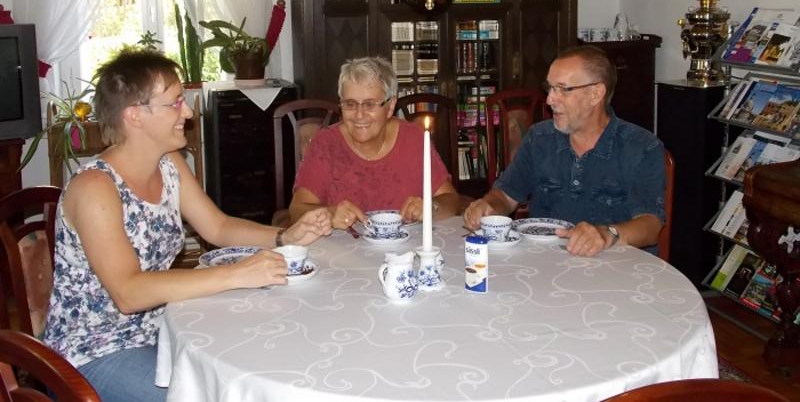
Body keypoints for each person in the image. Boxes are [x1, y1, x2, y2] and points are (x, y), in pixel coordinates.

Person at [43, 49, 332, 402]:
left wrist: (283, 236)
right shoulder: (95, 188)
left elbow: (218, 227)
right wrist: (236, 274)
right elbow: (128, 293)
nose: (188, 112)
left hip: (160, 327)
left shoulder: (168, 163)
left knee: (263, 351)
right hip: (93, 353)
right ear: (135, 116)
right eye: (175, 103)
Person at [464, 45, 665, 257]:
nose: (550, 99)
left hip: (615, 271)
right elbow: (505, 196)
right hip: (548, 265)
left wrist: (608, 234)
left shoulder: (641, 147)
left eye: (563, 89)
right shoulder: (540, 139)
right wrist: (488, 207)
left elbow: (650, 225)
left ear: (596, 94)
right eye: (550, 88)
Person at [288, 56, 462, 229]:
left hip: (406, 252)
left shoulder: (413, 138)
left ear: (391, 106)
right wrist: (329, 213)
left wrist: (430, 207)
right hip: (343, 252)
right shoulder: (326, 143)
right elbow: (296, 209)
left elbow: (451, 200)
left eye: (370, 105)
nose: (359, 115)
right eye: (350, 104)